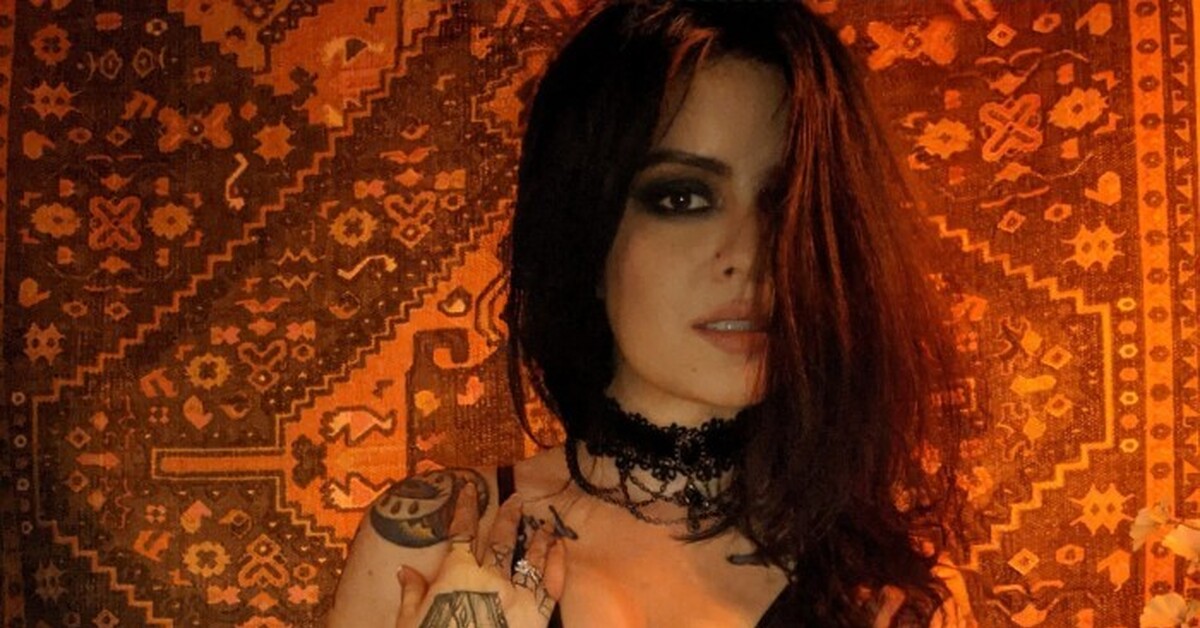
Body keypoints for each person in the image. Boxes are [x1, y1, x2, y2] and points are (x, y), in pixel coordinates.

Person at [329, 1, 973, 625]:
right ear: (588, 232)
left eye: (786, 203)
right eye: (682, 198)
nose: (752, 256)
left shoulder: (895, 590)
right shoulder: (431, 538)